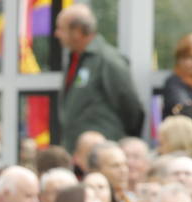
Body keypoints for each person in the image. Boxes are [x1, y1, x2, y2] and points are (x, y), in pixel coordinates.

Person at [55, 3, 145, 150]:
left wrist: (121, 141)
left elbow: (130, 106)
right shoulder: (76, 58)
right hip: (78, 152)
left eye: (61, 29)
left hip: (102, 152)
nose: (56, 34)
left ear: (77, 31)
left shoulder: (107, 60)